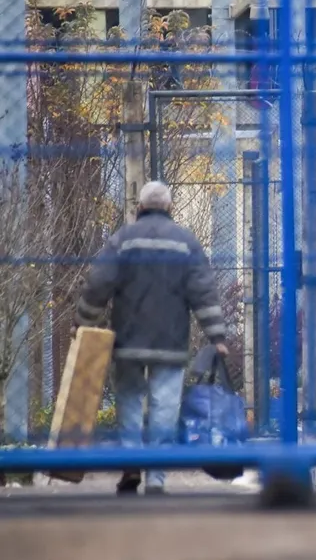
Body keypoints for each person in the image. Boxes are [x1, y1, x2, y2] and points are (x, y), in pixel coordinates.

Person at [74, 180, 228, 496]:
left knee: (129, 400)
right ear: (169, 208)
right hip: (170, 343)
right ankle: (156, 477)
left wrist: (84, 321)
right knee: (164, 407)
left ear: (140, 207)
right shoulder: (186, 242)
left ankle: (131, 463)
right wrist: (218, 335)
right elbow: (203, 291)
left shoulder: (123, 240)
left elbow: (99, 283)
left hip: (128, 342)